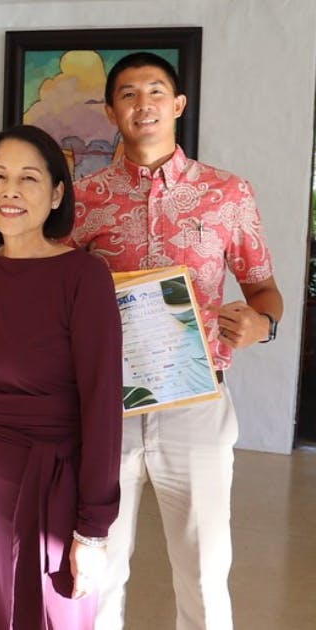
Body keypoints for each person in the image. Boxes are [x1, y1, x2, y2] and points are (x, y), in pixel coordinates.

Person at [72, 52, 283, 630]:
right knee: (99, 567)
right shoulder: (82, 200)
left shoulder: (227, 194)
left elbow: (265, 289)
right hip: (106, 407)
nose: (144, 104)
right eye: (129, 94)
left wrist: (262, 325)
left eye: (156, 91)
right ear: (112, 110)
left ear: (178, 105)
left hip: (196, 403)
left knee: (204, 570)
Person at [0, 124, 123, 629]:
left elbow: (103, 405)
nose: (10, 191)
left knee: (53, 613)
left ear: (58, 193)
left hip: (54, 481)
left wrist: (92, 531)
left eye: (28, 178)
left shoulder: (83, 276)